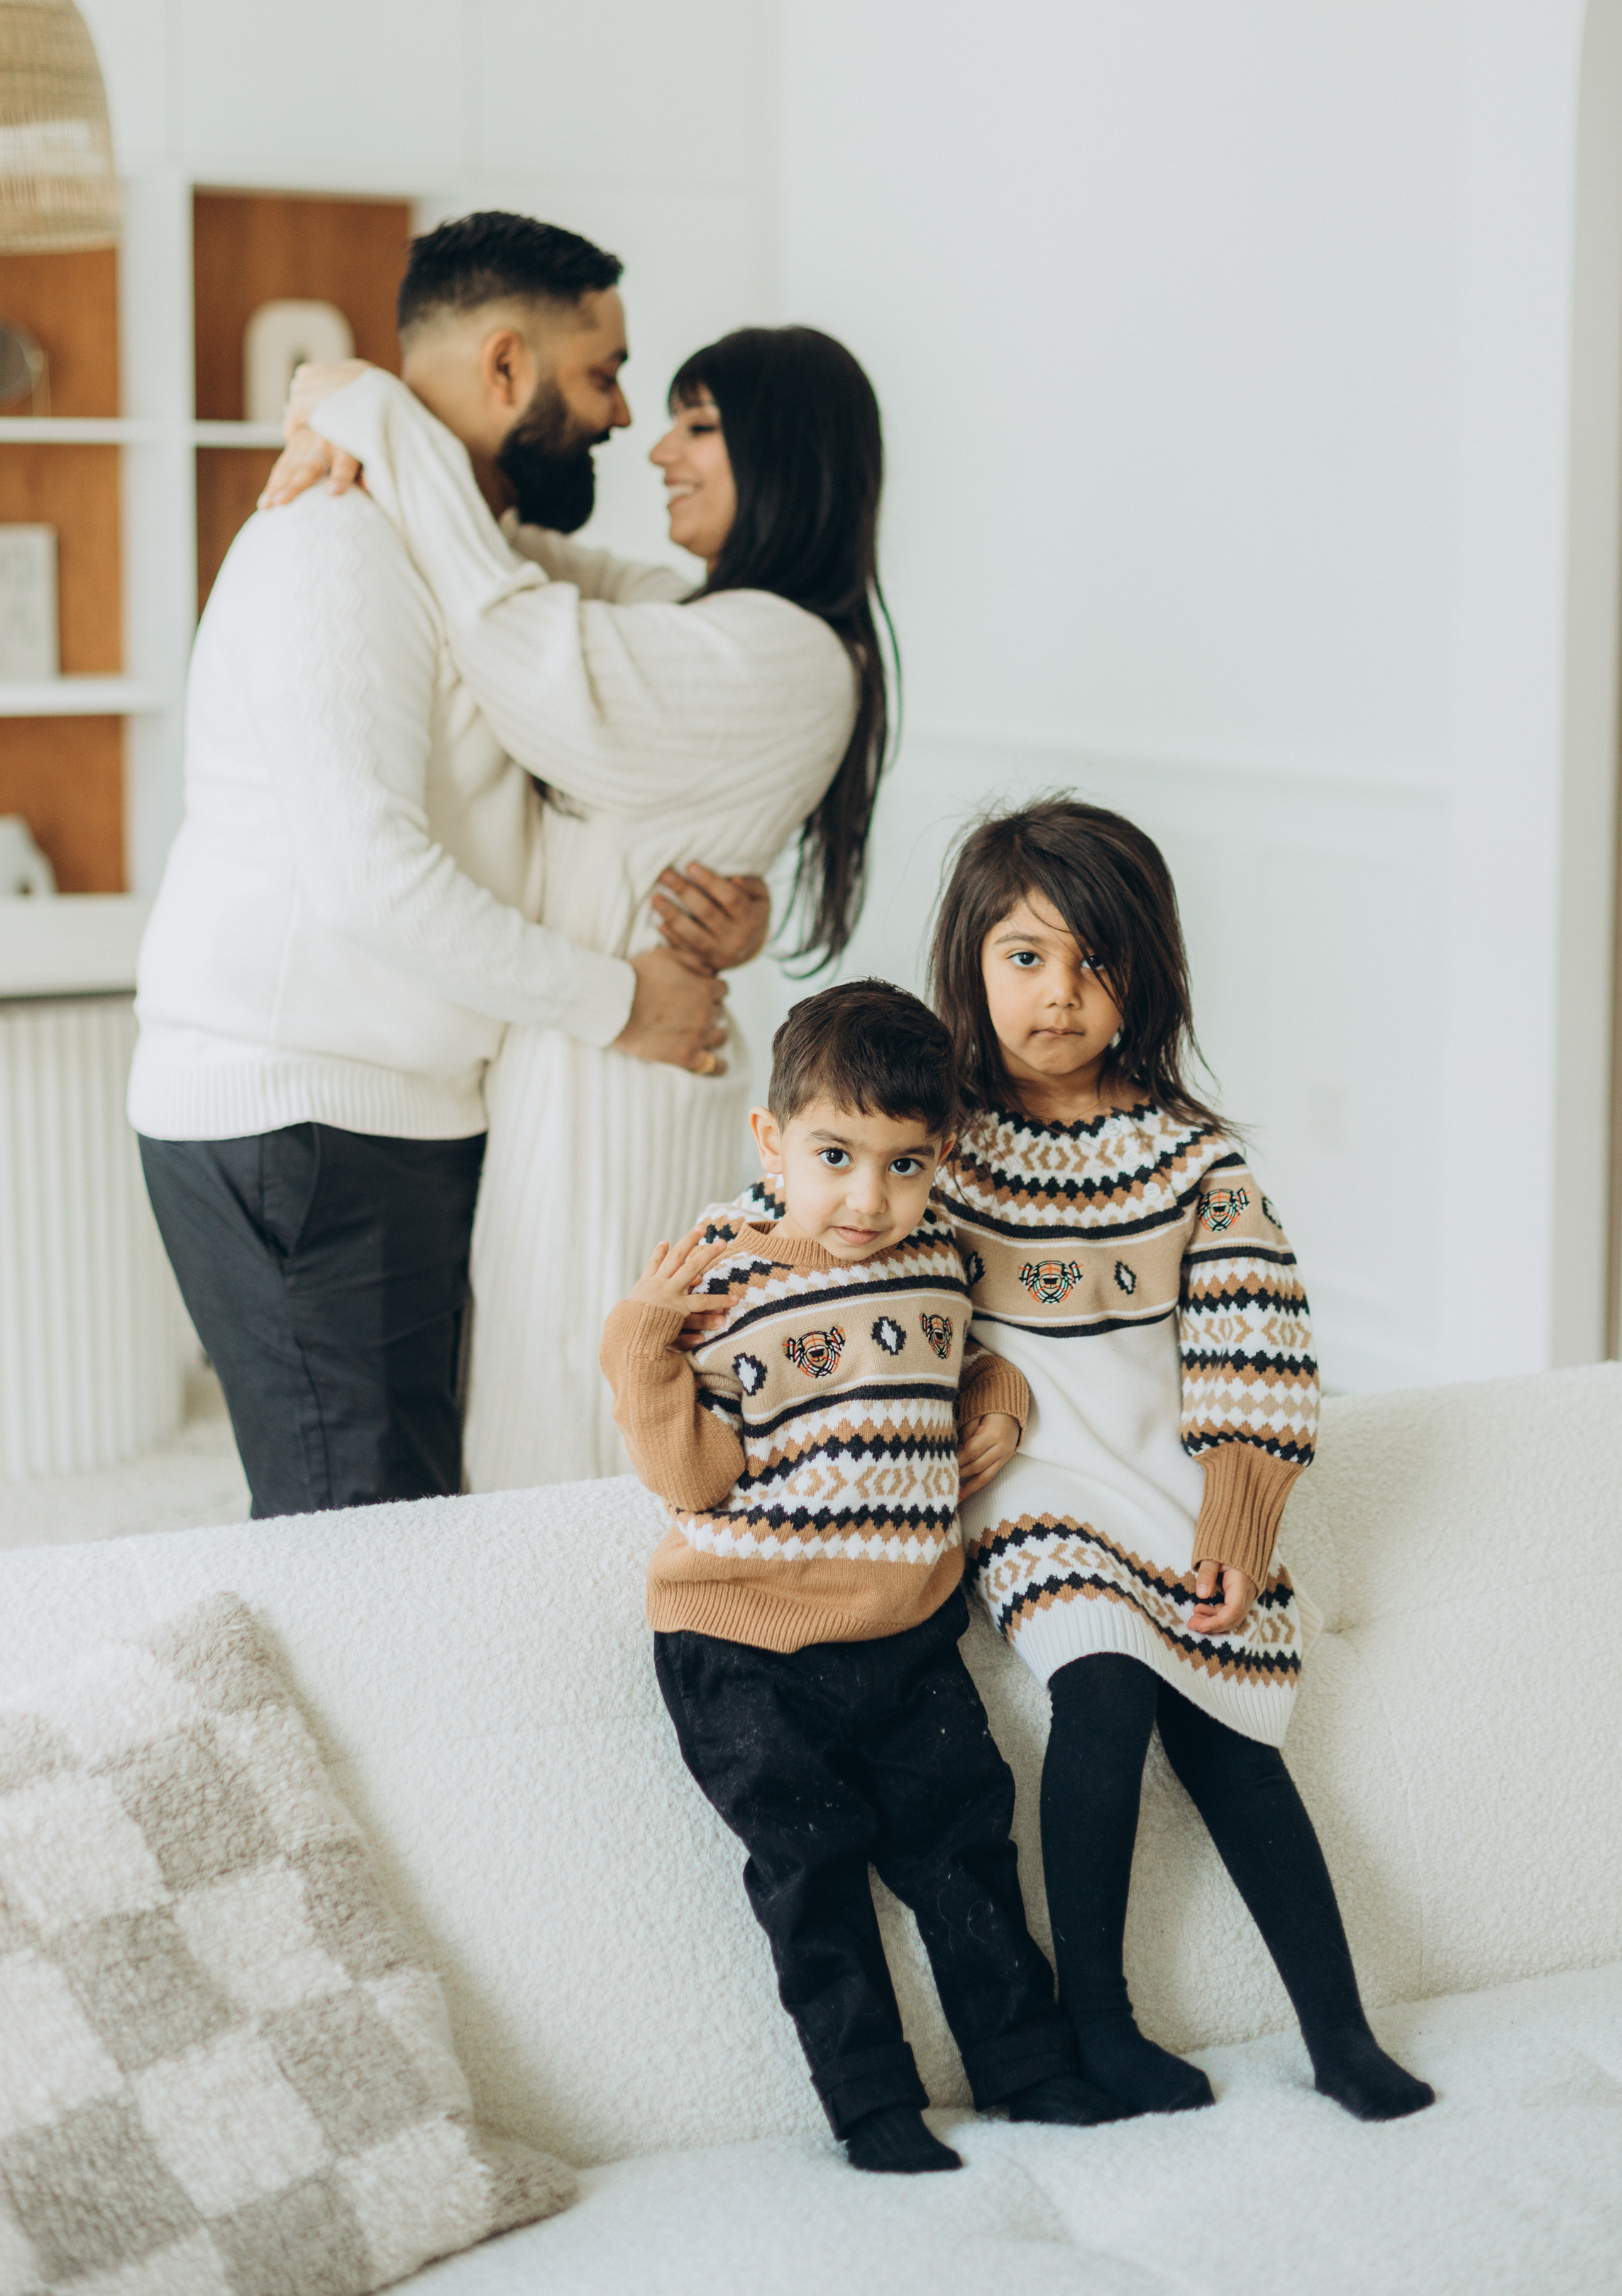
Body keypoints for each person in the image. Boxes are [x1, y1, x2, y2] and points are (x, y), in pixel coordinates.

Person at [131, 214, 735, 1520]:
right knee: (362, 1533)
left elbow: (689, 622)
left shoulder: (472, 557)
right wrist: (629, 1000)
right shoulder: (331, 544)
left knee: (412, 1508)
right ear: (507, 367)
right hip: (301, 1116)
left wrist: (369, 412)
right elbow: (370, 881)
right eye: (603, 373)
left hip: (392, 1110)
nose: (623, 415)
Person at [275, 321, 889, 1486]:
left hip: (623, 1092)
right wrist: (365, 417)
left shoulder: (783, 650)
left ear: (791, 456)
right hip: (592, 1062)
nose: (658, 449)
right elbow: (535, 564)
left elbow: (517, 636)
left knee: (583, 1414)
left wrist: (379, 411)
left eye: (699, 426)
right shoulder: (715, 620)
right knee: (546, 1402)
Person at [929, 798, 1437, 2124]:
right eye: (1026, 957)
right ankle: (1098, 2022)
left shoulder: (1193, 1163)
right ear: (970, 966)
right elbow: (857, 1264)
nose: (1060, 994)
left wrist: (1241, 1511)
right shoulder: (936, 1151)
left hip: (1168, 1481)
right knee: (1104, 1692)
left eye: (1097, 962)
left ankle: (1339, 2034)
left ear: (1147, 976)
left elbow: (1254, 1344)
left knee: (1234, 1739)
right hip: (1034, 1488)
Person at [600, 980, 1124, 2173]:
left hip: (904, 1630)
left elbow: (965, 1360)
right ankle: (871, 2099)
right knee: (811, 1870)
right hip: (741, 1641)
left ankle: (1027, 2066)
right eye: (836, 1156)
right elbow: (691, 1476)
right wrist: (639, 1339)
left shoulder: (937, 1253)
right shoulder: (721, 1271)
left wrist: (998, 1400)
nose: (867, 1198)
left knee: (966, 1847)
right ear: (772, 1139)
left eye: (905, 1164)